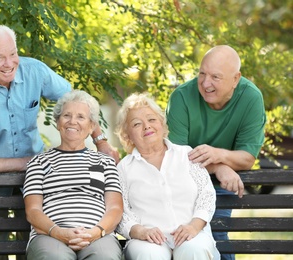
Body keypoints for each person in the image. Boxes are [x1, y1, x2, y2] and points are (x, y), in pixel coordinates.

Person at [0, 24, 119, 260]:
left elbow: (77, 102)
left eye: (12, 54)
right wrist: (27, 163)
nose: (9, 63)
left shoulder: (34, 71)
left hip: (32, 184)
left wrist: (101, 141)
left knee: (31, 247)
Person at [166, 45, 266, 260]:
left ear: (235, 79)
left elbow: (247, 158)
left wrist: (219, 156)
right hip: (183, 181)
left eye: (215, 77)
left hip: (221, 185)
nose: (205, 83)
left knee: (218, 235)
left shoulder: (251, 99)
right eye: (202, 73)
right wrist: (219, 166)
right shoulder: (181, 98)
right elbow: (176, 158)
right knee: (180, 237)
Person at [115, 92, 220, 260]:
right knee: (149, 254)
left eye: (151, 119)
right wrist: (140, 231)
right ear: (127, 135)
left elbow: (206, 195)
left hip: (192, 232)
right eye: (137, 124)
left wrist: (194, 226)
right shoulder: (123, 169)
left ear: (162, 124)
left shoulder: (186, 154)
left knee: (195, 250)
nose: (147, 126)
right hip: (147, 240)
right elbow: (120, 211)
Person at [23, 90, 123, 260]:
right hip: (50, 235)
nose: (72, 121)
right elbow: (33, 210)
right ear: (57, 122)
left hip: (98, 235)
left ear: (92, 126)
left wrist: (95, 232)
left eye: (80, 117)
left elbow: (115, 208)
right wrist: (59, 232)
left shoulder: (104, 162)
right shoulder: (39, 163)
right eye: (66, 115)